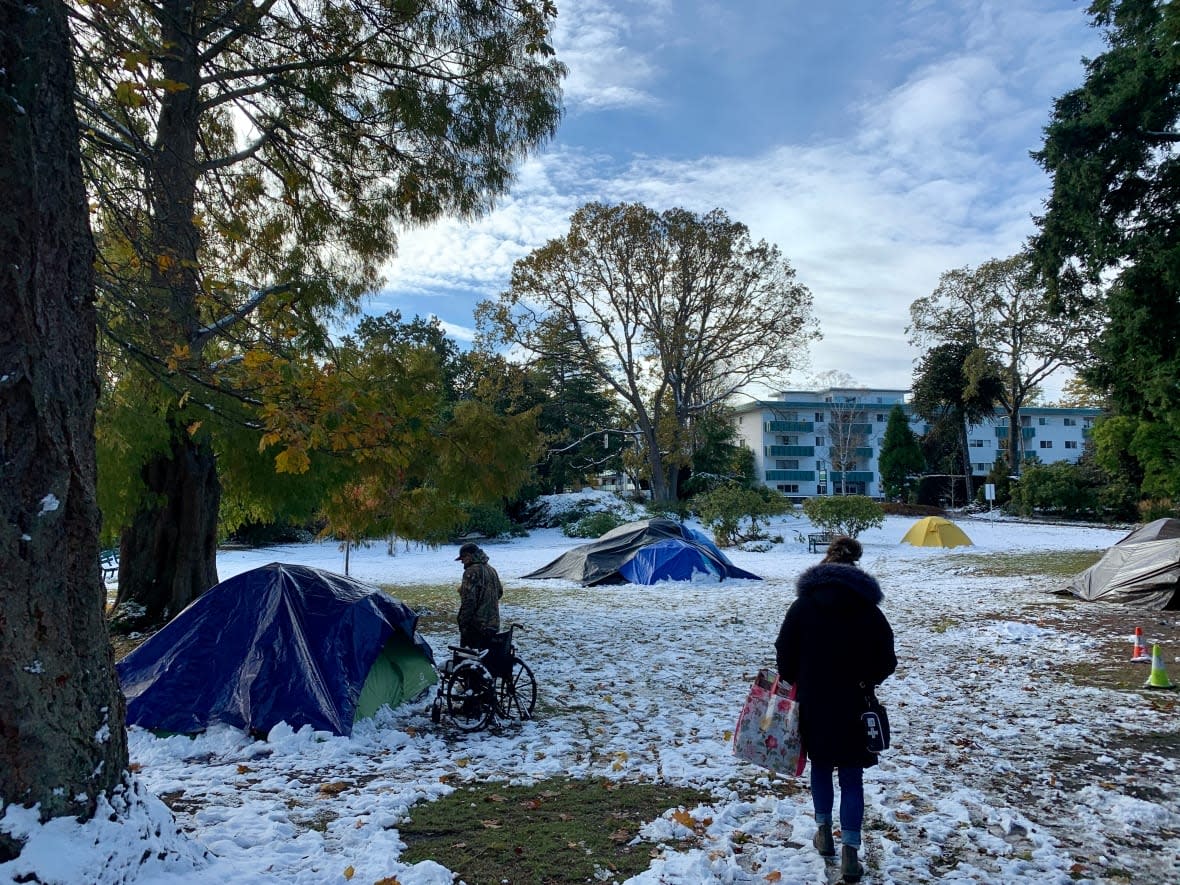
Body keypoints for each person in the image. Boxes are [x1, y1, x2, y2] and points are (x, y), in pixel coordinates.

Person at [775, 535, 896, 883]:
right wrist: (868, 679)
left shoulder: (803, 606)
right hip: (854, 704)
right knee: (852, 776)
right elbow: (887, 660)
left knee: (821, 766)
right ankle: (851, 853)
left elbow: (784, 651)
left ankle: (824, 831)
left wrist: (797, 676)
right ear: (855, 569)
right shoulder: (869, 611)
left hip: (813, 701)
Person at [455, 542, 503, 650]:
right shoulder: (491, 569)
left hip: (476, 626)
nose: (462, 561)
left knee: (469, 657)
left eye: (463, 558)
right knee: (488, 658)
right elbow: (499, 592)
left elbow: (469, 601)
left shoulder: (471, 572)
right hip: (493, 624)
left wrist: (463, 622)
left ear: (469, 556)